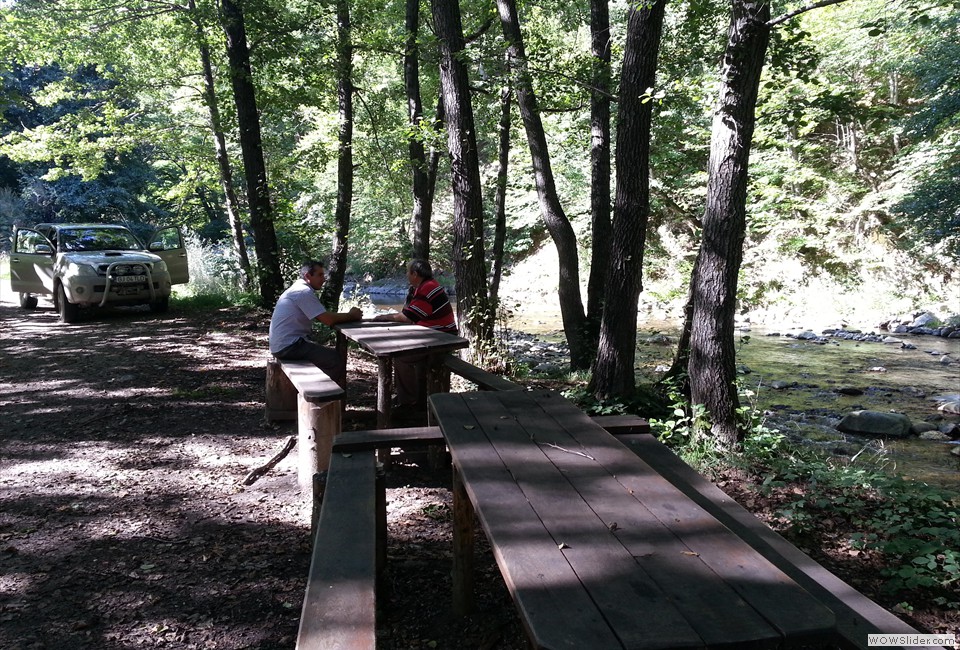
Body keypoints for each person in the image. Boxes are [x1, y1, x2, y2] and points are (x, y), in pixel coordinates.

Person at [373, 259, 456, 408]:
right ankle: (418, 399)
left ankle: (408, 402)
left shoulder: (426, 288)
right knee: (408, 353)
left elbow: (407, 317)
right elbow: (412, 314)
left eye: (408, 272)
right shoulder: (427, 286)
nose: (406, 275)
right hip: (438, 334)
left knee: (402, 357)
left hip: (441, 337)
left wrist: (384, 317)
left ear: (415, 274)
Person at [269, 260, 363, 386]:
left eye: (323, 275)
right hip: (288, 347)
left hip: (284, 345)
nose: (324, 279)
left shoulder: (298, 289)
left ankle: (318, 389)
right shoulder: (302, 292)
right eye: (320, 275)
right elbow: (327, 319)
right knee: (335, 360)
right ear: (308, 276)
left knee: (326, 356)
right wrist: (351, 315)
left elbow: (324, 316)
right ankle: (323, 396)